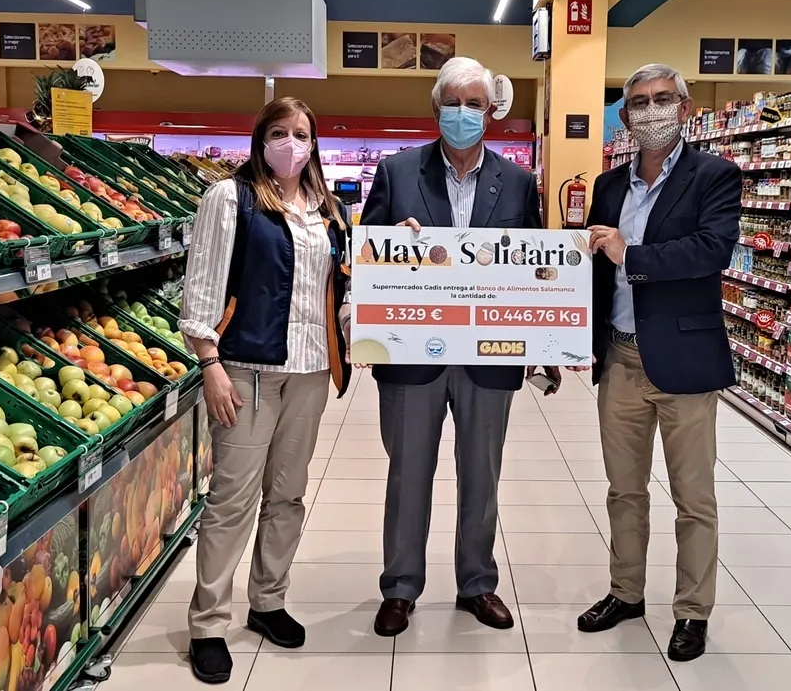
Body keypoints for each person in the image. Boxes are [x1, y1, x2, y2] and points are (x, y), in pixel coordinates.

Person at [360, 56, 551, 637]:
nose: (463, 113)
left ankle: (478, 583)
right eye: (453, 103)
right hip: (412, 356)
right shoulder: (397, 173)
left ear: (491, 112)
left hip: (489, 355)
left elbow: (538, 272)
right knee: (408, 473)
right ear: (435, 108)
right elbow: (364, 259)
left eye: (474, 103)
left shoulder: (517, 183)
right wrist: (388, 247)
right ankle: (400, 587)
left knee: (482, 475)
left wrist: (547, 342)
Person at [180, 96, 352, 684]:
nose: (291, 144)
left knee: (287, 495)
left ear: (314, 144)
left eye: (301, 134)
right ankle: (208, 624)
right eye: (280, 132)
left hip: (310, 371)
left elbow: (341, 289)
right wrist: (209, 362)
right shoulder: (231, 198)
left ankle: (267, 602)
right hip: (245, 370)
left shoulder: (330, 211)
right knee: (232, 498)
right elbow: (202, 286)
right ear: (260, 139)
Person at [574, 64, 741, 662]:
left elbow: (711, 250)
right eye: (639, 102)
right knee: (624, 489)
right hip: (619, 357)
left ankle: (693, 610)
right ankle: (626, 592)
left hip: (685, 361)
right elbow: (592, 269)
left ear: (685, 107)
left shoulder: (714, 175)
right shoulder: (607, 185)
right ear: (625, 116)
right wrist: (567, 338)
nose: (651, 111)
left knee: (693, 497)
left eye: (663, 99)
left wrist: (632, 254)